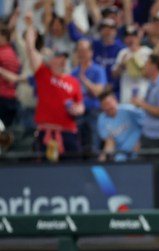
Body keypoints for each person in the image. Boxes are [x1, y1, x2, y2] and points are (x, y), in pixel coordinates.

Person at [24, 11, 85, 161]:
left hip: (68, 132)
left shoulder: (73, 81)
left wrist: (78, 109)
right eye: (58, 57)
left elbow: (80, 105)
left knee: (75, 167)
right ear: (50, 61)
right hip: (46, 131)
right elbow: (30, 49)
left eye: (64, 58)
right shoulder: (43, 73)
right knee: (44, 170)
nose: (62, 60)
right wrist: (29, 25)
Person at [132, 54, 159, 156]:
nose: (144, 66)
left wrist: (142, 104)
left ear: (154, 66)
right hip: (149, 134)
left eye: (147, 63)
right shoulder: (152, 83)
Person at [97, 91, 144, 162]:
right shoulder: (102, 119)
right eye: (104, 105)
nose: (108, 107)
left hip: (139, 150)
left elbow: (148, 124)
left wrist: (141, 141)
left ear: (115, 101)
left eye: (109, 103)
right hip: (121, 153)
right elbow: (109, 142)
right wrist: (103, 157)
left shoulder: (129, 110)